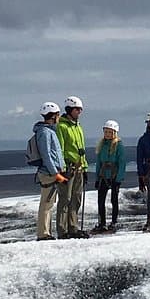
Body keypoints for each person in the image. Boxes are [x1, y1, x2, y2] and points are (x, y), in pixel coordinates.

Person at [55, 96, 90, 239]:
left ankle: (73, 228)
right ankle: (63, 231)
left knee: (76, 198)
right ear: (69, 109)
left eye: (80, 109)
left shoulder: (78, 126)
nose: (79, 112)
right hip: (68, 168)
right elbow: (60, 149)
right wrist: (62, 168)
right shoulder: (62, 127)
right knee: (65, 199)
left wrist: (85, 167)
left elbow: (81, 149)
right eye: (77, 109)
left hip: (79, 168)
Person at [33, 102, 69, 241]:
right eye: (58, 115)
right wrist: (56, 173)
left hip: (50, 172)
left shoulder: (47, 131)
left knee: (49, 204)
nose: (59, 117)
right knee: (46, 204)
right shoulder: (45, 132)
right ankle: (43, 233)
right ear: (53, 116)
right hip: (48, 173)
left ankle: (45, 232)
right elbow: (47, 154)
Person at [91, 120, 126, 234]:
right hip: (103, 176)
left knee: (114, 200)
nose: (107, 134)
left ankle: (114, 222)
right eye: (106, 132)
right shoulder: (102, 145)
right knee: (100, 201)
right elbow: (98, 163)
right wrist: (97, 178)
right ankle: (102, 223)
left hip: (114, 176)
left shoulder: (119, 145)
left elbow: (122, 163)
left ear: (115, 133)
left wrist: (119, 179)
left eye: (110, 132)